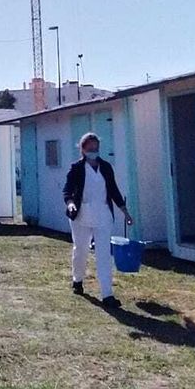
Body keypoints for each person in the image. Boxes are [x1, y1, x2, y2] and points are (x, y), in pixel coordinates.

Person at [63, 131, 132, 307]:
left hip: (103, 215)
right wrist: (70, 203)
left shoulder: (106, 168)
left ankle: (107, 294)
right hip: (81, 215)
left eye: (96, 147)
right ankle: (77, 280)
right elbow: (67, 191)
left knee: (103, 254)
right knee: (81, 250)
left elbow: (114, 191)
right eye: (90, 148)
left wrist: (125, 211)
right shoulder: (77, 168)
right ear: (83, 149)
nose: (94, 151)